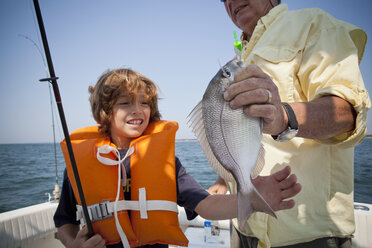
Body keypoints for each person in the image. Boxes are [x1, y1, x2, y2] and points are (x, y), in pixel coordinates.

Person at [53, 68, 301, 248]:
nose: (137, 109)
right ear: (105, 112)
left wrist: (250, 201)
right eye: (125, 103)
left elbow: (205, 205)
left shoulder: (165, 161)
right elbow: (64, 221)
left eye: (144, 103)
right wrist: (73, 243)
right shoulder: (78, 164)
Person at [210, 0, 371, 248]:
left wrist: (284, 117)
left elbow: (348, 113)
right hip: (243, 231)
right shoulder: (239, 58)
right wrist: (225, 180)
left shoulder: (313, 25)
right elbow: (235, 135)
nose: (230, 1)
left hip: (308, 238)